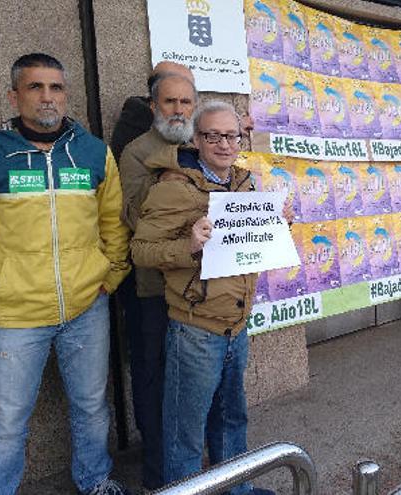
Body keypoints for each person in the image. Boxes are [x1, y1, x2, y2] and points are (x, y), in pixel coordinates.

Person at [0, 53, 131, 495]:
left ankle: (96, 480)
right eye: (35, 87)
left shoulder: (93, 152)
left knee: (91, 406)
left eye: (56, 87)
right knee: (7, 422)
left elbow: (112, 224)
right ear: (14, 95)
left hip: (86, 307)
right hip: (15, 315)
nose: (48, 96)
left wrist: (112, 275)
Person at [131, 100, 284, 494]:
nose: (223, 144)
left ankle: (237, 490)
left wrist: (274, 230)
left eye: (231, 136)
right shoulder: (172, 188)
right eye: (212, 135)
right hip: (195, 332)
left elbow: (246, 247)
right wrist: (188, 245)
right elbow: (141, 251)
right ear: (197, 140)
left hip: (237, 326)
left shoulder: (244, 182)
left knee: (232, 421)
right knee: (185, 431)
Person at [117, 69, 197, 489]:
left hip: (198, 286)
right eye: (170, 102)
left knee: (189, 380)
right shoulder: (135, 152)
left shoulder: (200, 144)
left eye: (186, 102)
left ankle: (188, 466)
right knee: (152, 377)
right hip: (152, 289)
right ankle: (158, 475)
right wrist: (169, 186)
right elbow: (131, 216)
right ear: (154, 107)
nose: (178, 110)